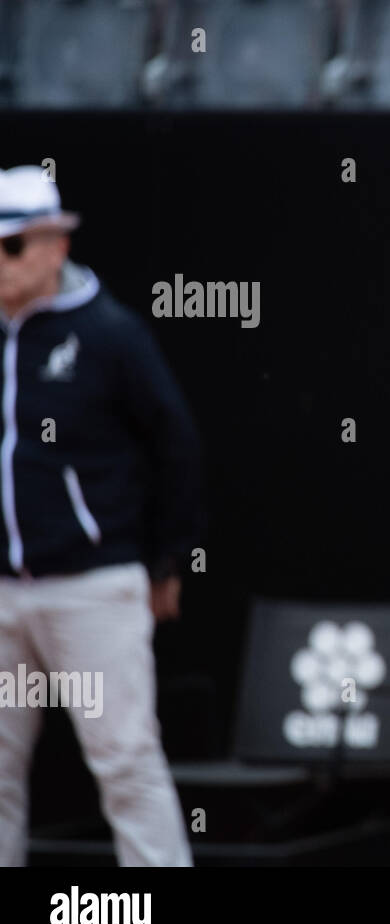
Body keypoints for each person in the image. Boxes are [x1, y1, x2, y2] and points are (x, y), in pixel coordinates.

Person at [0, 165, 202, 866]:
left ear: (55, 246)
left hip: (91, 586)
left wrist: (164, 559)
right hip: (3, 593)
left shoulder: (109, 334)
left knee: (124, 760)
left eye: (11, 246)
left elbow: (175, 444)